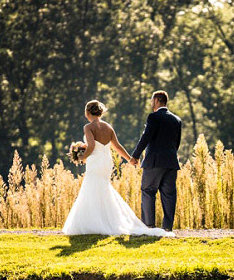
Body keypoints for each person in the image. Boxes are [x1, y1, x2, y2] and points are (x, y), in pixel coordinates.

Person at [62, 99, 174, 237]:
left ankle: (94, 223)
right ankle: (105, 221)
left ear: (87, 113)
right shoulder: (108, 127)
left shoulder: (88, 127)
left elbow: (91, 147)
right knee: (102, 187)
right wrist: (130, 159)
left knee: (91, 187)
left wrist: (81, 157)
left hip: (95, 162)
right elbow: (117, 146)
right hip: (106, 162)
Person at [130, 90, 183, 231]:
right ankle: (167, 228)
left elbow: (146, 137)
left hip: (154, 161)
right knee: (169, 194)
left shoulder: (153, 117)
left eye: (152, 100)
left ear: (157, 100)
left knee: (148, 190)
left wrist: (135, 155)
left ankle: (149, 226)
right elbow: (176, 143)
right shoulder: (177, 120)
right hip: (171, 162)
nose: (151, 103)